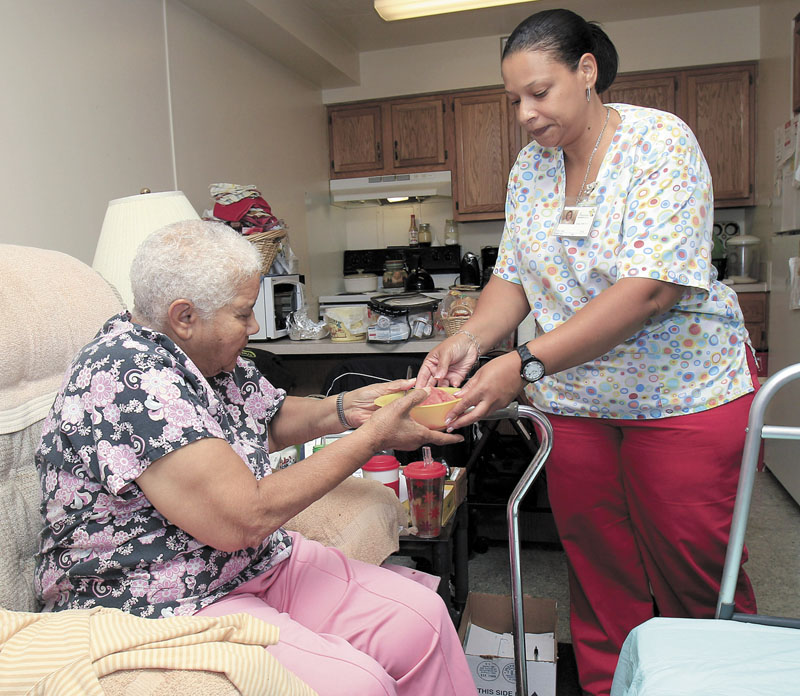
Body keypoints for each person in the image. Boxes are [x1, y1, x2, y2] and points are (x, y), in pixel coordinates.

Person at [416, 9, 759, 696]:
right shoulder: (530, 167)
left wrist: (524, 364)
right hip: (577, 404)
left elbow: (648, 292)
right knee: (600, 570)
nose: (524, 113)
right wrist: (470, 341)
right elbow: (513, 276)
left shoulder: (659, 143)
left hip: (681, 395)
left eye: (539, 92)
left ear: (587, 71)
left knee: (694, 569)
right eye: (514, 98)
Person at [34, 220, 478, 696]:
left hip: (251, 563)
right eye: (243, 313)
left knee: (424, 621)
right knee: (358, 684)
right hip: (163, 595)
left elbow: (269, 416)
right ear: (184, 316)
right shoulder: (128, 377)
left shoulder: (205, 356)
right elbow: (244, 517)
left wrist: (350, 409)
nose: (255, 327)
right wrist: (371, 438)